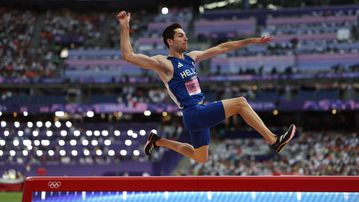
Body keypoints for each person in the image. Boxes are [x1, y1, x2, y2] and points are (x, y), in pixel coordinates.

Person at [116, 11, 296, 164]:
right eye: (180, 35)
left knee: (200, 157)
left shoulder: (191, 58)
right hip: (193, 113)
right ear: (170, 42)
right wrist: (125, 26)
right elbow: (128, 56)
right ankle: (273, 140)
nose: (185, 37)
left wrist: (253, 41)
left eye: (185, 35)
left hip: (198, 112)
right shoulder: (164, 63)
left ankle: (158, 141)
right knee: (240, 103)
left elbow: (223, 47)